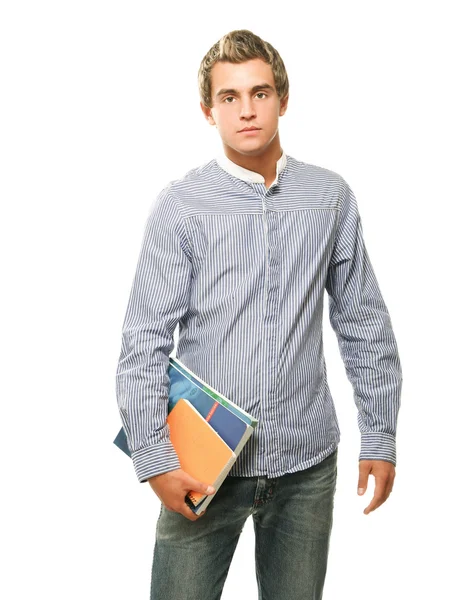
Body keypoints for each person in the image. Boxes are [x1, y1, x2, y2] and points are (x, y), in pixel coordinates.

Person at [115, 29, 402, 600]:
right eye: (230, 97)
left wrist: (380, 435)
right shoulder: (181, 205)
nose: (247, 110)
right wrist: (153, 457)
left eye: (261, 93)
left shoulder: (330, 197)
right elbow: (144, 338)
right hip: (203, 471)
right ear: (208, 110)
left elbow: (363, 321)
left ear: (283, 100)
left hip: (306, 468)